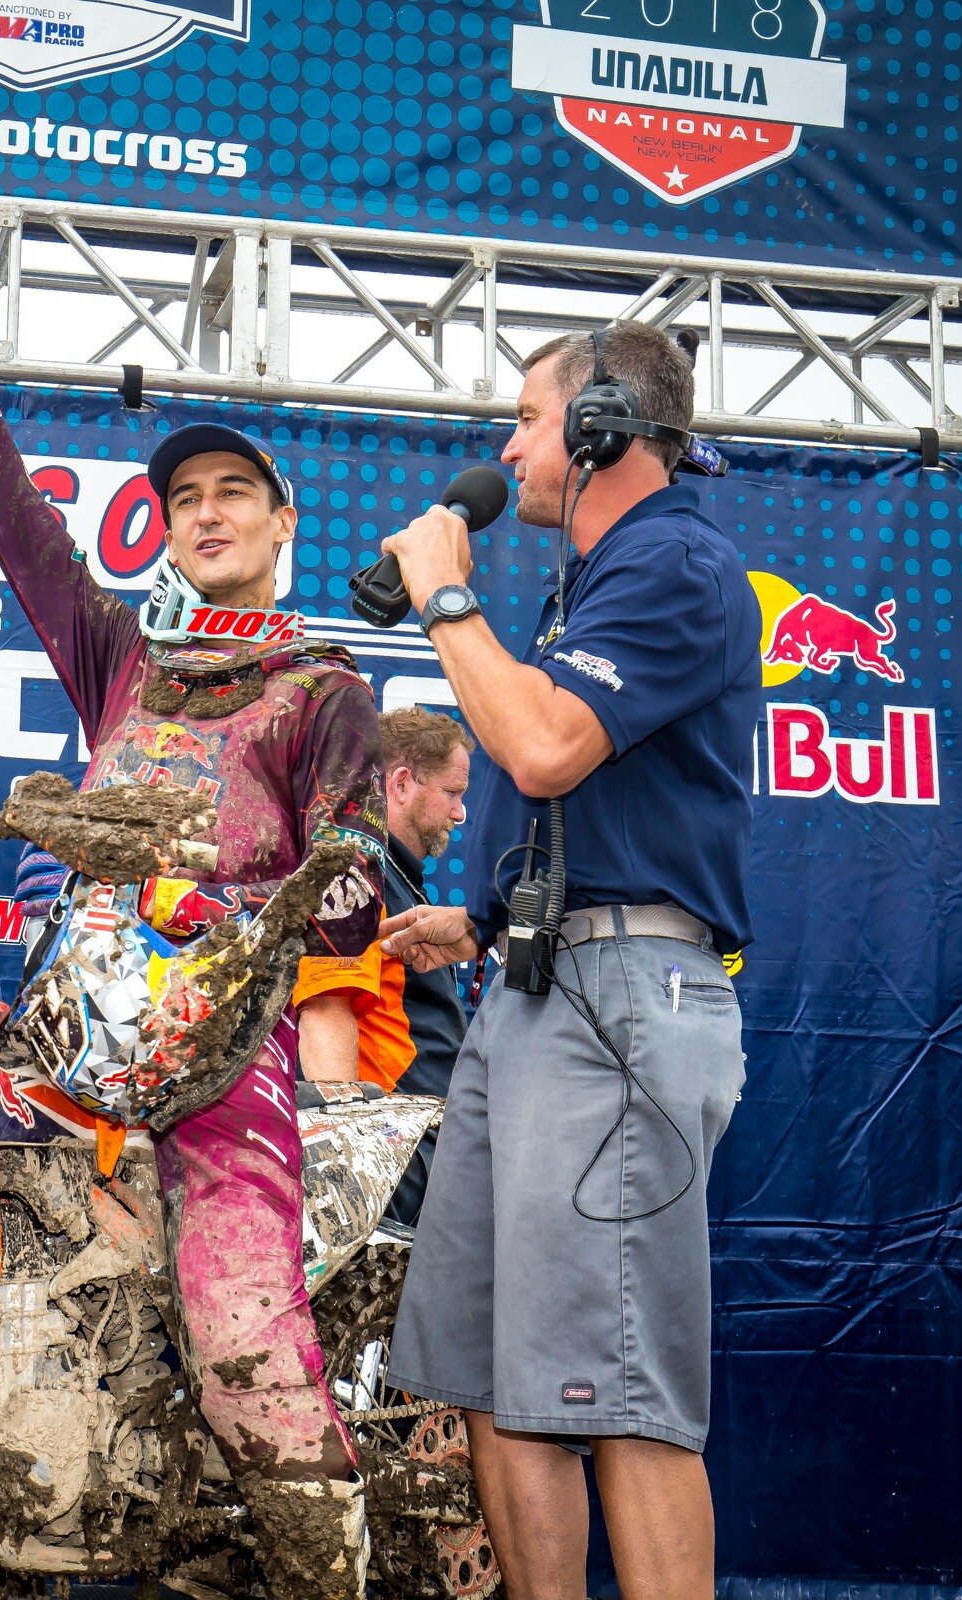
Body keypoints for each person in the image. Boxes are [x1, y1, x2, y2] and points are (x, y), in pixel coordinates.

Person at [0, 223, 387, 1600]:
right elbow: (9, 517)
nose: (209, 512)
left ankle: (325, 1570)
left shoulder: (320, 688)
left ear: (284, 525)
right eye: (187, 501)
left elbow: (352, 861)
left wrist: (314, 880)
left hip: (225, 1058)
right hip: (70, 1044)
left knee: (244, 1356)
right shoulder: (123, 660)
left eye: (238, 493)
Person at [373, 321, 759, 1600]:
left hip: (618, 1001)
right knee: (497, 1376)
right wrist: (476, 921)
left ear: (602, 429)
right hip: (535, 994)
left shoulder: (675, 563)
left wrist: (445, 595)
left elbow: (539, 749)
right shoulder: (582, 585)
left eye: (527, 420)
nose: (506, 448)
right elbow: (571, 798)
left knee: (621, 1390)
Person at [354, 708, 474, 1226]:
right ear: (400, 784)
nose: (461, 812)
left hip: (426, 1148)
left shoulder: (400, 879)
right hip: (395, 1159)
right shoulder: (360, 877)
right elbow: (327, 1010)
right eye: (453, 793)